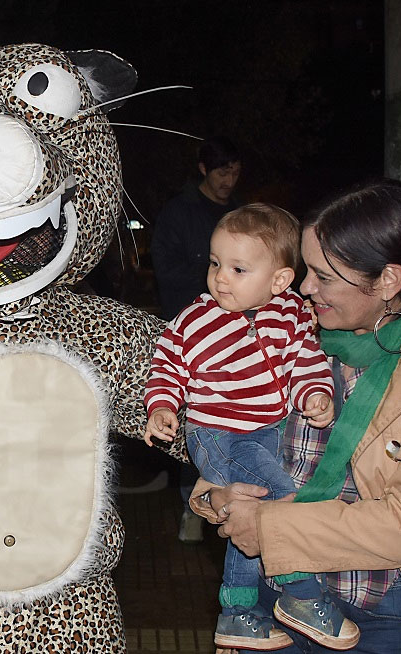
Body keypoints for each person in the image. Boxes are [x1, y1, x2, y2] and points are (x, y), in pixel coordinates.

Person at [195, 179, 401, 653]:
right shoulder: (290, 329)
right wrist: (218, 494)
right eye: (306, 270)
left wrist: (269, 528)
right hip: (269, 596)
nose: (304, 287)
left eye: (324, 276)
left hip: (376, 613)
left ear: (388, 281)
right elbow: (225, 428)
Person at [144, 203, 354, 651]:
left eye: (238, 269)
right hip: (217, 434)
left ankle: (238, 613)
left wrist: (315, 395)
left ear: (279, 280)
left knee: (249, 519)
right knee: (279, 498)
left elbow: (305, 360)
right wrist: (162, 406)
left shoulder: (292, 313)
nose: (221, 278)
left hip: (268, 432)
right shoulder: (196, 319)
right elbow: (166, 365)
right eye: (215, 263)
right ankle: (302, 594)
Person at [150, 136, 243, 543]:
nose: (229, 180)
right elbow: (165, 270)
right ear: (204, 169)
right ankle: (193, 505)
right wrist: (214, 290)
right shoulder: (179, 212)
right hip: (191, 335)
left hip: (237, 338)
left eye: (235, 171)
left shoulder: (241, 215)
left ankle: (234, 505)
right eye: (222, 170)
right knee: (196, 419)